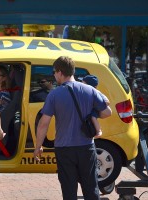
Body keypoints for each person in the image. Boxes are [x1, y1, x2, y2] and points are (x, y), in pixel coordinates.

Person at [33, 56, 112, 200]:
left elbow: (43, 123)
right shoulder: (89, 90)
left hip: (64, 148)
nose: (54, 75)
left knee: (69, 190)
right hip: (86, 147)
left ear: (60, 72)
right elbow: (107, 112)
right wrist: (91, 115)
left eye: (54, 72)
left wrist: (38, 146)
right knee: (91, 188)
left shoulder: (54, 94)